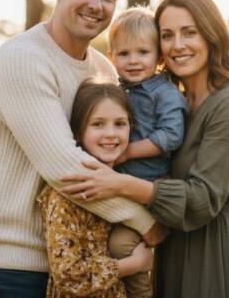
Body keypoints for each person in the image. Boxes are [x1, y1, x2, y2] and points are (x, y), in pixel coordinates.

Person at [0, 0, 166, 297]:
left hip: (89, 261)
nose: (96, 4)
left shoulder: (105, 70)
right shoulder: (23, 60)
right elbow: (67, 169)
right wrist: (146, 222)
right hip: (20, 265)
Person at [61, 0, 229, 297]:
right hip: (173, 249)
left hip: (215, 253)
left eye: (189, 33)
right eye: (167, 35)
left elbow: (202, 199)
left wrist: (119, 183)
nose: (177, 45)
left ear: (212, 36)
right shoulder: (177, 103)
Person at [38, 80, 153, 297]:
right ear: (79, 132)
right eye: (98, 124)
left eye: (120, 123)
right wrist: (134, 264)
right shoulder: (68, 192)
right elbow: (69, 276)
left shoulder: (127, 184)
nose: (111, 133)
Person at [105, 7, 188, 298]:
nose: (134, 61)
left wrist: (127, 153)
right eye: (124, 54)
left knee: (121, 246)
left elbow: (171, 135)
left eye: (143, 52)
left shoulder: (164, 93)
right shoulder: (116, 91)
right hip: (117, 191)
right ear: (112, 56)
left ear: (159, 57)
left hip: (147, 192)